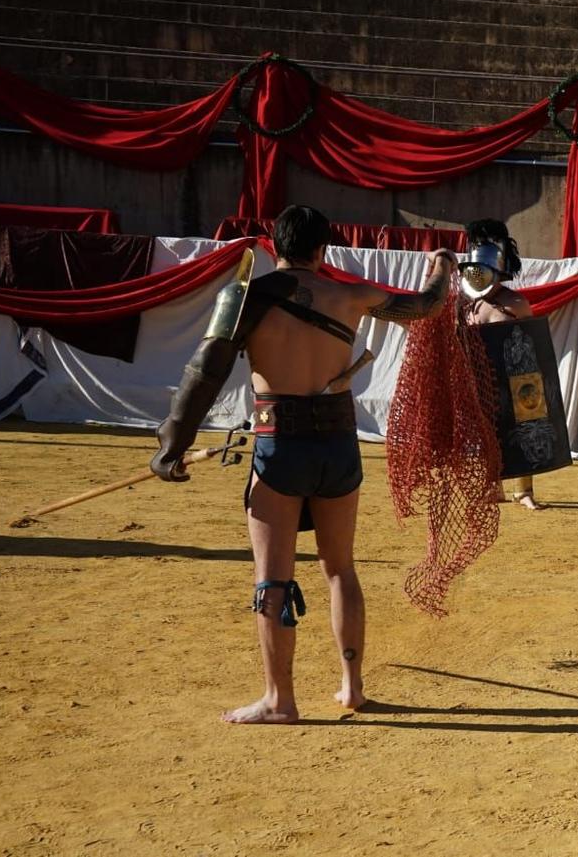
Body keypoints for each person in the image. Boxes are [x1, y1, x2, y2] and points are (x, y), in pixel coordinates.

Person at [151, 205, 453, 724]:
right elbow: (425, 307)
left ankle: (279, 700)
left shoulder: (247, 300)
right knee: (341, 570)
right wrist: (442, 269)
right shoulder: (352, 295)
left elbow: (203, 374)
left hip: (280, 447)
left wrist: (171, 446)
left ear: (275, 246)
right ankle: (352, 687)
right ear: (323, 251)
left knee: (272, 579)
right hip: (337, 446)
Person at [457, 218, 543, 510]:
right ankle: (493, 487)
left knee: (524, 424)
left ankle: (524, 490)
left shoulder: (516, 303)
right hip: (480, 378)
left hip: (516, 376)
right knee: (486, 432)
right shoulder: (465, 305)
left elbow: (530, 344)